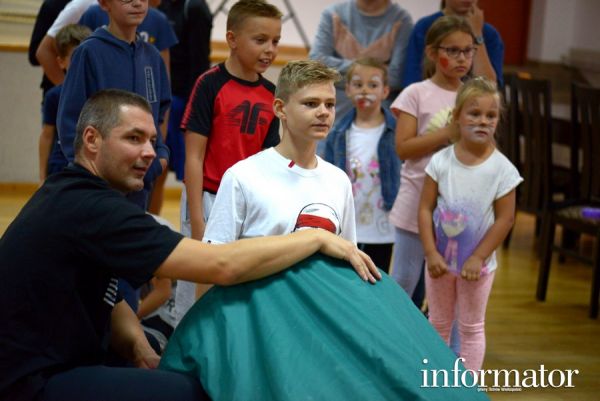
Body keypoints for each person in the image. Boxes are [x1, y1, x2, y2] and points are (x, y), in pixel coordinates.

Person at [0, 89, 377, 401]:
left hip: (55, 359)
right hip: (31, 382)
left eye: (152, 140)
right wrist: (315, 236)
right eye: (133, 138)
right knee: (194, 392)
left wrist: (137, 346)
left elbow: (110, 295)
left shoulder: (74, 191)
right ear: (92, 139)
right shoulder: (91, 206)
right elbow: (220, 266)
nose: (150, 152)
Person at [158, 63, 486, 401]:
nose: (323, 113)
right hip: (264, 323)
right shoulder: (244, 176)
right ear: (280, 108)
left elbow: (348, 261)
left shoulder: (337, 180)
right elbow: (213, 263)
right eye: (311, 104)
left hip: (319, 322)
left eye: (329, 104)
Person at [176, 0, 282, 320]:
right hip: (207, 196)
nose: (270, 50)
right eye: (260, 40)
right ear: (232, 39)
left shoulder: (271, 94)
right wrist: (197, 218)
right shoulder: (210, 84)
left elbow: (267, 161)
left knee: (236, 282)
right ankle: (182, 349)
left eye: (276, 41)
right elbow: (193, 157)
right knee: (193, 285)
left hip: (246, 202)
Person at [418, 77, 522, 370]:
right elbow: (425, 208)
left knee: (471, 327)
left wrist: (478, 257)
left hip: (477, 270)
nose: (483, 121)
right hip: (440, 264)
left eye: (491, 115)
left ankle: (466, 389)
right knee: (437, 322)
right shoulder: (441, 161)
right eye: (474, 114)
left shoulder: (503, 170)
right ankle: (434, 383)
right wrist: (430, 252)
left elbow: (506, 218)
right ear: (457, 117)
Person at [389, 15, 474, 303]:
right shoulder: (416, 93)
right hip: (416, 200)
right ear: (432, 53)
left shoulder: (473, 97)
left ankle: (441, 346)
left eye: (468, 50)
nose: (462, 58)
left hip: (457, 207)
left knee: (449, 285)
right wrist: (448, 133)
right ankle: (392, 344)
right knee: (404, 280)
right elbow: (403, 148)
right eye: (452, 50)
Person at [56, 0, 170, 211]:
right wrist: (91, 174)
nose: (137, 3)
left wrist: (160, 157)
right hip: (98, 187)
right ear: (104, 3)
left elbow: (159, 114)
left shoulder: (152, 57)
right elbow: (70, 124)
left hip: (139, 183)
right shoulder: (88, 52)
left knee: (132, 240)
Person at [324, 57, 400, 273]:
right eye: (358, 84)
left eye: (373, 85)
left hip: (383, 224)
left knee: (378, 275)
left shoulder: (396, 132)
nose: (364, 91)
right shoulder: (338, 132)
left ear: (385, 91)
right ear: (347, 89)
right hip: (350, 223)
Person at [149, 0, 214, 214]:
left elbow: (200, 62)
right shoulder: (161, 7)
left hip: (183, 102)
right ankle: (148, 220)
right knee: (154, 168)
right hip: (160, 98)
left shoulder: (194, 8)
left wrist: (194, 109)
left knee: (184, 171)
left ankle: (192, 222)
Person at [309, 0, 413, 126]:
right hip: (332, 112)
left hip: (379, 118)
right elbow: (316, 64)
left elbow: (397, 77)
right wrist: (373, 76)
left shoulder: (402, 20)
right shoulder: (332, 13)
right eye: (356, 84)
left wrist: (346, 77)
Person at [402, 0, 504, 88]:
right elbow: (411, 79)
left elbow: (490, 87)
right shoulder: (424, 27)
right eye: (452, 50)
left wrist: (477, 35)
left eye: (468, 50)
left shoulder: (490, 34)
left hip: (472, 103)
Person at [38, 23, 91, 182]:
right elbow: (47, 136)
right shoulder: (54, 96)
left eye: (86, 57)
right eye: (75, 57)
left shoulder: (100, 94)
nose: (81, 63)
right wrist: (42, 176)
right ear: (61, 62)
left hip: (92, 166)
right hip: (60, 166)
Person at [28, 0, 71, 100]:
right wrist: (67, 89)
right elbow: (34, 54)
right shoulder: (53, 5)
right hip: (56, 89)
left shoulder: (100, 6)